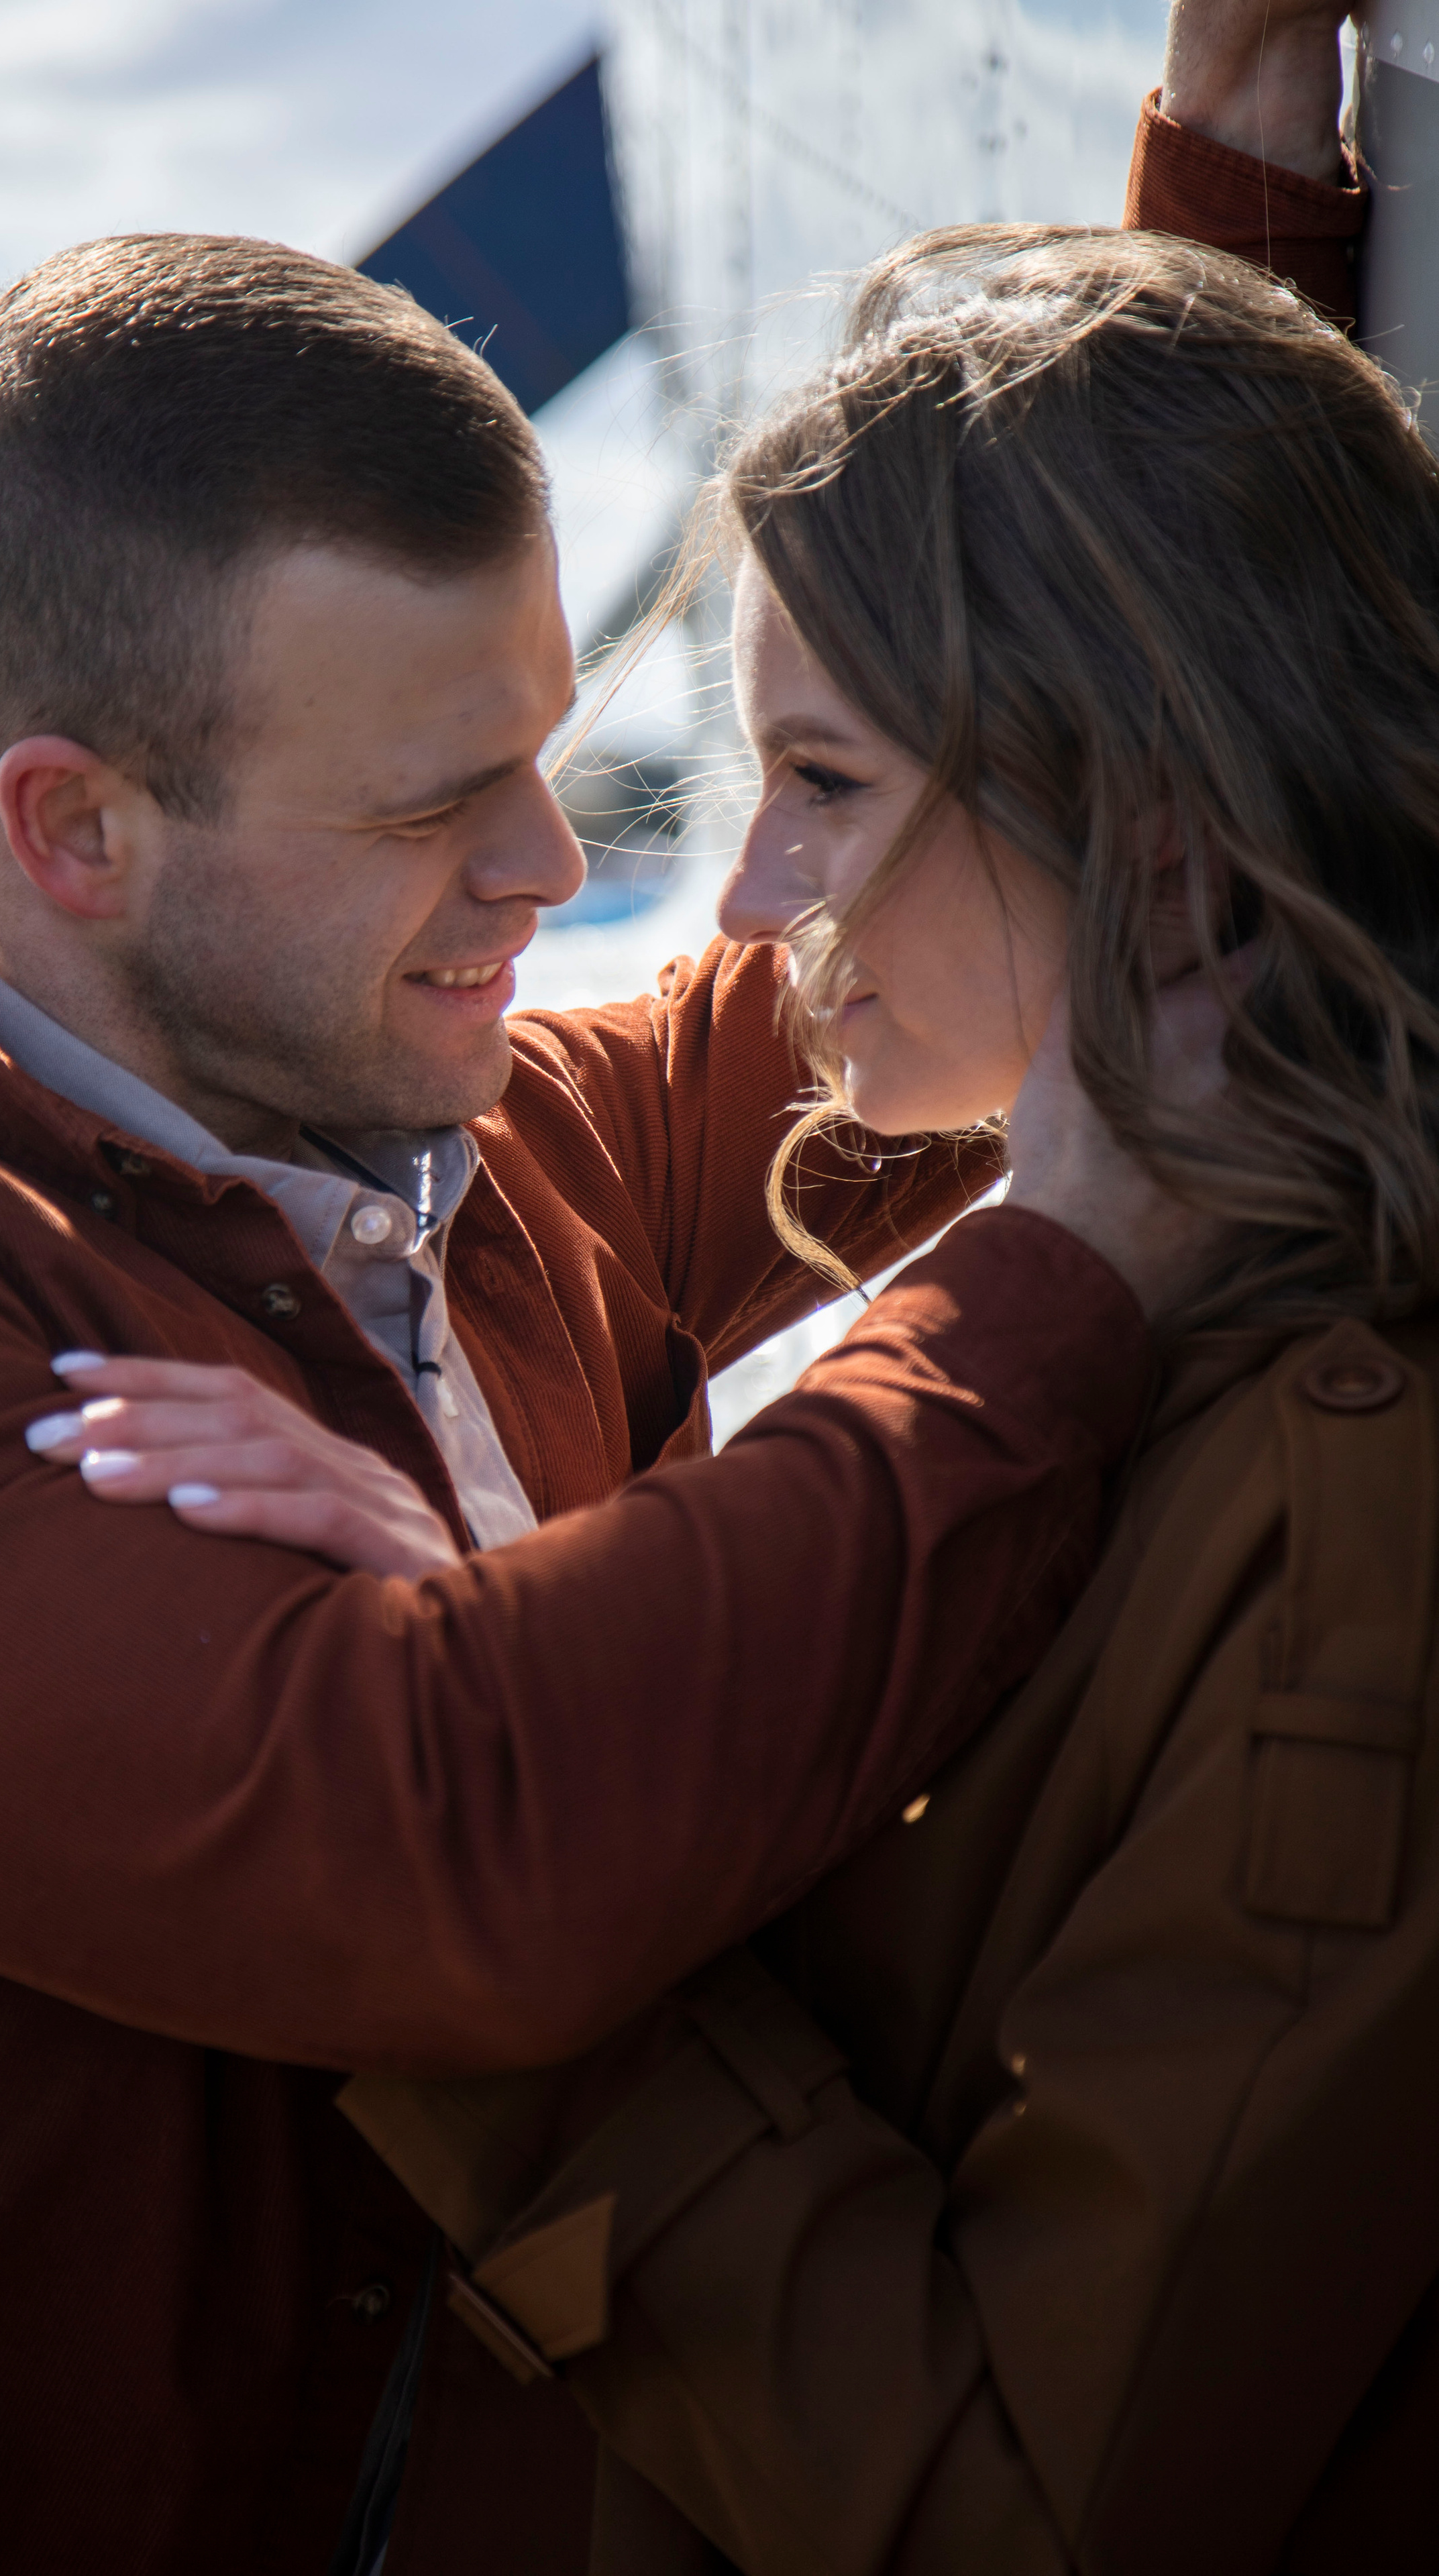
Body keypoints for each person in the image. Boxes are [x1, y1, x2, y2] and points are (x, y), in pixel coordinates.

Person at [0, 206, 1238, 2576]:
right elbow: (443, 1868)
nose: (558, 866)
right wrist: (1062, 1281)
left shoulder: (452, 1104)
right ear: (72, 830)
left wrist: (1246, 190)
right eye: (439, 806)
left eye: (546, 746)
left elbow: (969, 884)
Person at [285, 52, 1439, 2576]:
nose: (739, 905)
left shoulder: (1345, 1532)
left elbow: (1030, 2509)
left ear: (1133, 810)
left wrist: (497, 1939)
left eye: (817, 779)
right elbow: (1164, 547)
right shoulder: (1166, 1309)